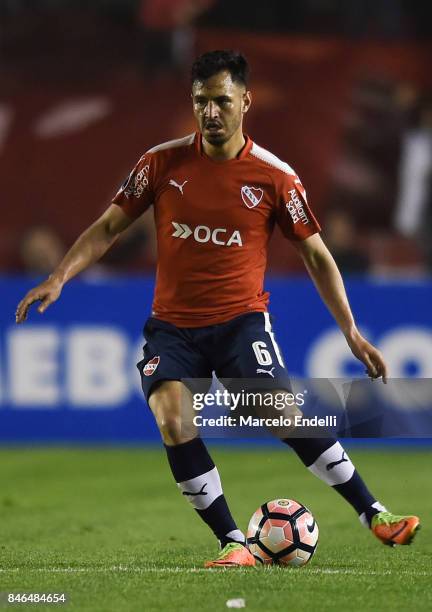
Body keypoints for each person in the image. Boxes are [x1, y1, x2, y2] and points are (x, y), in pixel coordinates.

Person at [16, 50, 420, 568]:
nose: (210, 112)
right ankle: (234, 542)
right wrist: (58, 277)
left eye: (221, 101)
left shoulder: (275, 177)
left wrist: (352, 333)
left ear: (245, 102)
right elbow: (109, 227)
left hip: (240, 324)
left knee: (280, 413)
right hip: (173, 329)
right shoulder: (160, 163)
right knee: (171, 416)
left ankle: (375, 515)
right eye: (201, 101)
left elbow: (317, 256)